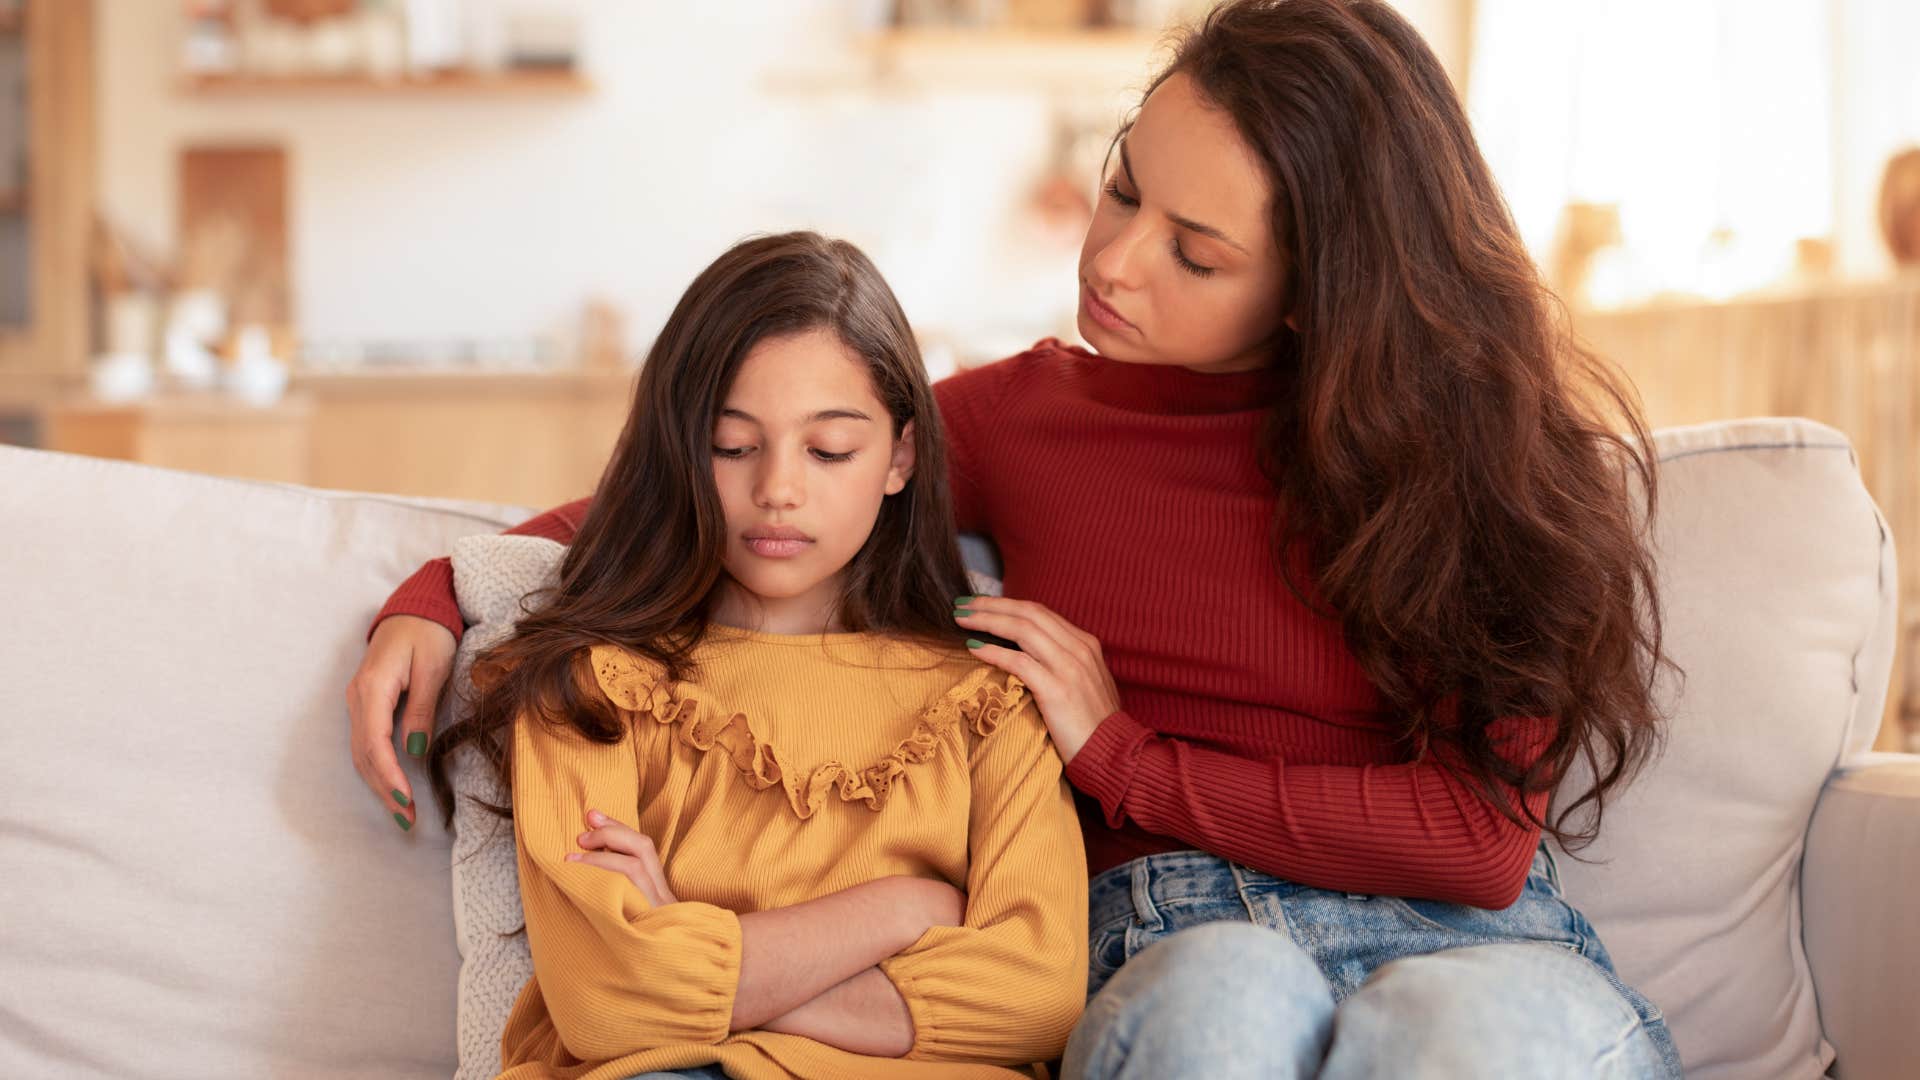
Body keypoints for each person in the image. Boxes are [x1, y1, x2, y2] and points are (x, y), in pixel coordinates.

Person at [350, 2, 1683, 1075]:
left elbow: (1477, 840)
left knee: (1456, 1047)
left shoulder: (1489, 468)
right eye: (1122, 192)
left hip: (1463, 945)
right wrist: (440, 590)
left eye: (1195, 254)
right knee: (1223, 1013)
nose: (1114, 260)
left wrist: (1128, 761)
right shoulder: (1027, 419)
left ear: (1321, 287)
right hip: (1168, 937)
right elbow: (753, 473)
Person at [436, 231, 1085, 1079]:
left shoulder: (991, 700)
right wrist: (902, 909)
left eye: (829, 450)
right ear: (681, 448)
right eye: (733, 445)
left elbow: (1036, 998)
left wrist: (704, 950)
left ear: (901, 456)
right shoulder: (591, 690)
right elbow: (608, 1001)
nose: (778, 488)